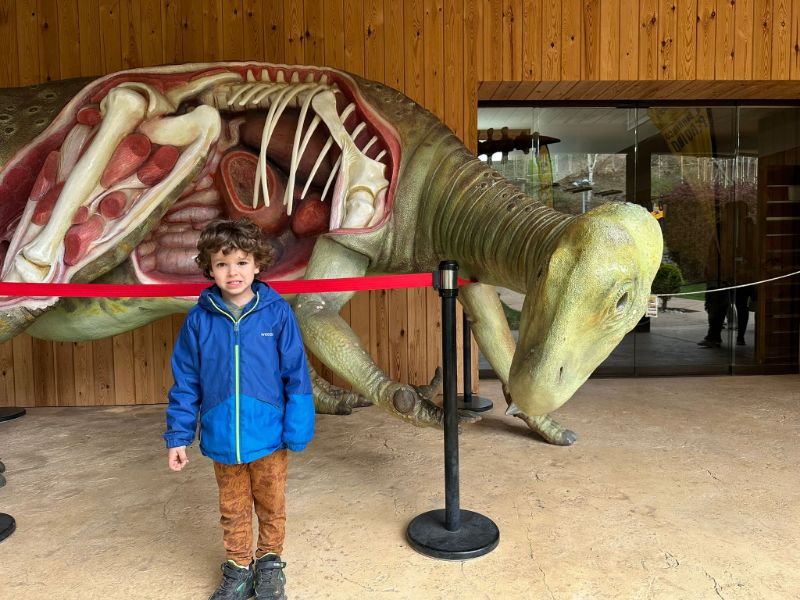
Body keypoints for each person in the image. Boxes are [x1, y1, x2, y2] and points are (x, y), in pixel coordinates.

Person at [164, 217, 315, 600]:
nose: (233, 272)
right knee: (232, 508)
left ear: (257, 264)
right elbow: (186, 382)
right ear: (209, 268)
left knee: (271, 504)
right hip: (222, 437)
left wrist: (298, 426)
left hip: (270, 436)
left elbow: (296, 373)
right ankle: (238, 568)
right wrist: (179, 435)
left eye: (242, 262)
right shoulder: (199, 321)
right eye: (222, 263)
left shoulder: (276, 313)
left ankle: (269, 564)